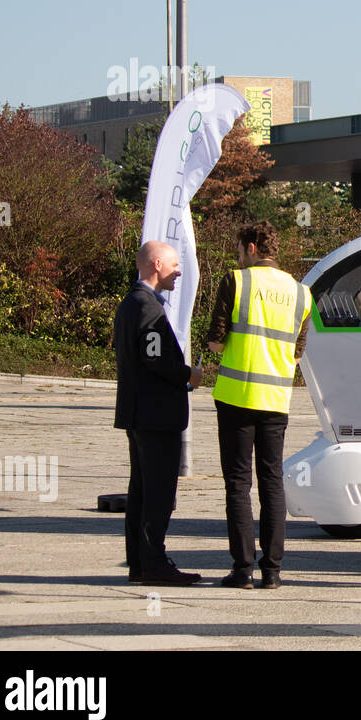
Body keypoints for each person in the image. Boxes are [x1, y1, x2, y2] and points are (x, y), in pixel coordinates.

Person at [207, 222, 311, 591]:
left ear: (251, 248)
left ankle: (242, 570)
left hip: (236, 397)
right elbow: (297, 354)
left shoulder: (236, 282)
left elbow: (216, 343)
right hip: (276, 402)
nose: (237, 256)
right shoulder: (302, 293)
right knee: (271, 483)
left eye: (239, 249)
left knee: (237, 484)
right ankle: (273, 571)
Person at [113, 241, 205, 586]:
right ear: (156, 264)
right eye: (174, 265)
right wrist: (188, 375)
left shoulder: (130, 304)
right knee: (159, 494)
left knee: (141, 491)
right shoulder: (148, 307)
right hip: (156, 416)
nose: (179, 271)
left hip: (138, 413)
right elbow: (154, 358)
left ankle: (139, 563)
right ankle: (154, 563)